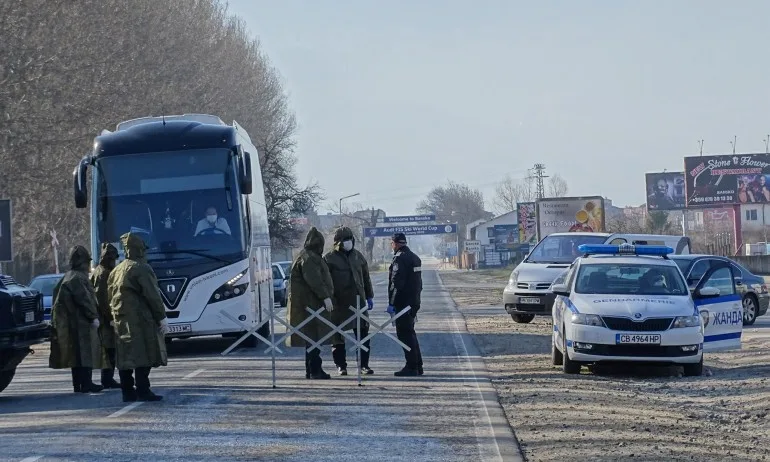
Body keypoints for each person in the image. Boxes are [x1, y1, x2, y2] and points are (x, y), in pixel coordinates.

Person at [108, 232, 169, 402]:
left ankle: (127, 391)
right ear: (140, 249)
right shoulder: (141, 268)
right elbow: (152, 295)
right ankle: (143, 389)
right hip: (140, 320)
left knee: (125, 356)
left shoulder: (117, 269)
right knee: (145, 354)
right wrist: (161, 317)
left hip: (121, 320)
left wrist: (113, 317)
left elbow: (110, 295)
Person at [49, 246, 104, 394]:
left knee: (76, 356)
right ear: (84, 262)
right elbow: (84, 299)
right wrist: (93, 316)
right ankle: (86, 384)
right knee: (86, 353)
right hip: (82, 323)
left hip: (71, 322)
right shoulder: (78, 278)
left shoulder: (68, 276)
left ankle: (78, 385)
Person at [323, 226, 375, 376]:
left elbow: (366, 278)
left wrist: (369, 296)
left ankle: (364, 365)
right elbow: (326, 281)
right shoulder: (329, 258)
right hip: (339, 303)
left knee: (363, 334)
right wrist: (327, 299)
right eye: (345, 240)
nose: (348, 242)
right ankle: (341, 366)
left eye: (350, 239)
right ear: (338, 241)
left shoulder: (358, 256)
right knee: (337, 336)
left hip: (359, 301)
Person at [286, 227, 335, 380]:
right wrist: (325, 297)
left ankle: (311, 369)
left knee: (312, 340)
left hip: (308, 304)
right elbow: (315, 281)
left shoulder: (307, 256)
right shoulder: (309, 258)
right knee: (314, 338)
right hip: (310, 305)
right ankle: (315, 370)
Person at [387, 233, 424, 377]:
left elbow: (396, 284)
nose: (392, 246)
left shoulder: (399, 259)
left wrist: (392, 303)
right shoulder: (415, 257)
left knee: (405, 334)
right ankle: (418, 365)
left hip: (402, 303)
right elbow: (418, 283)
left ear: (395, 243)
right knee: (411, 333)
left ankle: (411, 366)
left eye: (392, 243)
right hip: (413, 301)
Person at [90, 243, 121, 389]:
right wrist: (110, 318)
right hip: (104, 318)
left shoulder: (100, 271)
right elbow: (102, 298)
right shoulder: (103, 274)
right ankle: (107, 379)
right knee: (109, 349)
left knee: (109, 349)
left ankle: (107, 378)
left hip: (103, 316)